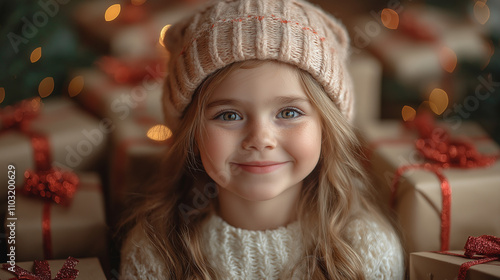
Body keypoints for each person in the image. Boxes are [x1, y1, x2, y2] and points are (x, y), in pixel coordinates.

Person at [119, 0, 405, 279]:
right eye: (229, 115)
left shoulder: (367, 252)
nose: (260, 140)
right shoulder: (155, 252)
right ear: (191, 134)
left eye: (289, 112)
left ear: (326, 129)